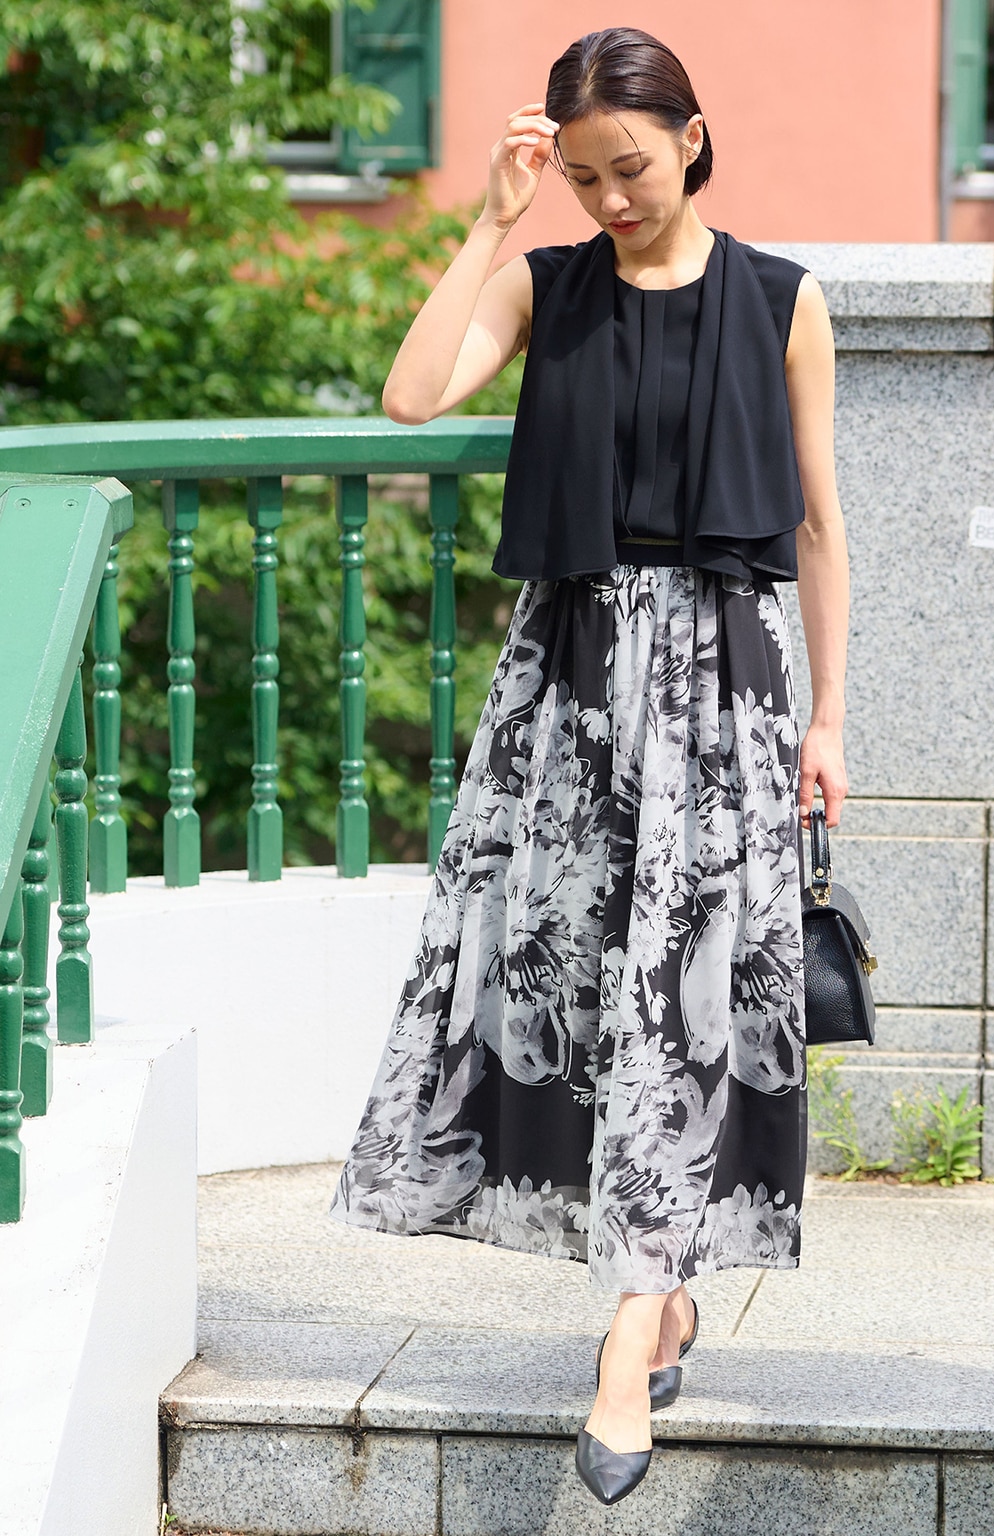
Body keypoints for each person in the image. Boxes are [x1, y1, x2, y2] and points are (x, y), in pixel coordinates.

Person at [330, 26, 849, 1507]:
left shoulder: (783, 300)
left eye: (632, 166)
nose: (612, 198)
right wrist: (490, 223)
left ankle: (628, 1345)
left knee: (683, 1000)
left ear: (693, 136)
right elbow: (412, 397)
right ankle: (662, 1293)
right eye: (582, 177)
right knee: (581, 995)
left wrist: (828, 720)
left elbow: (819, 525)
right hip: (567, 684)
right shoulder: (545, 285)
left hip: (728, 687)